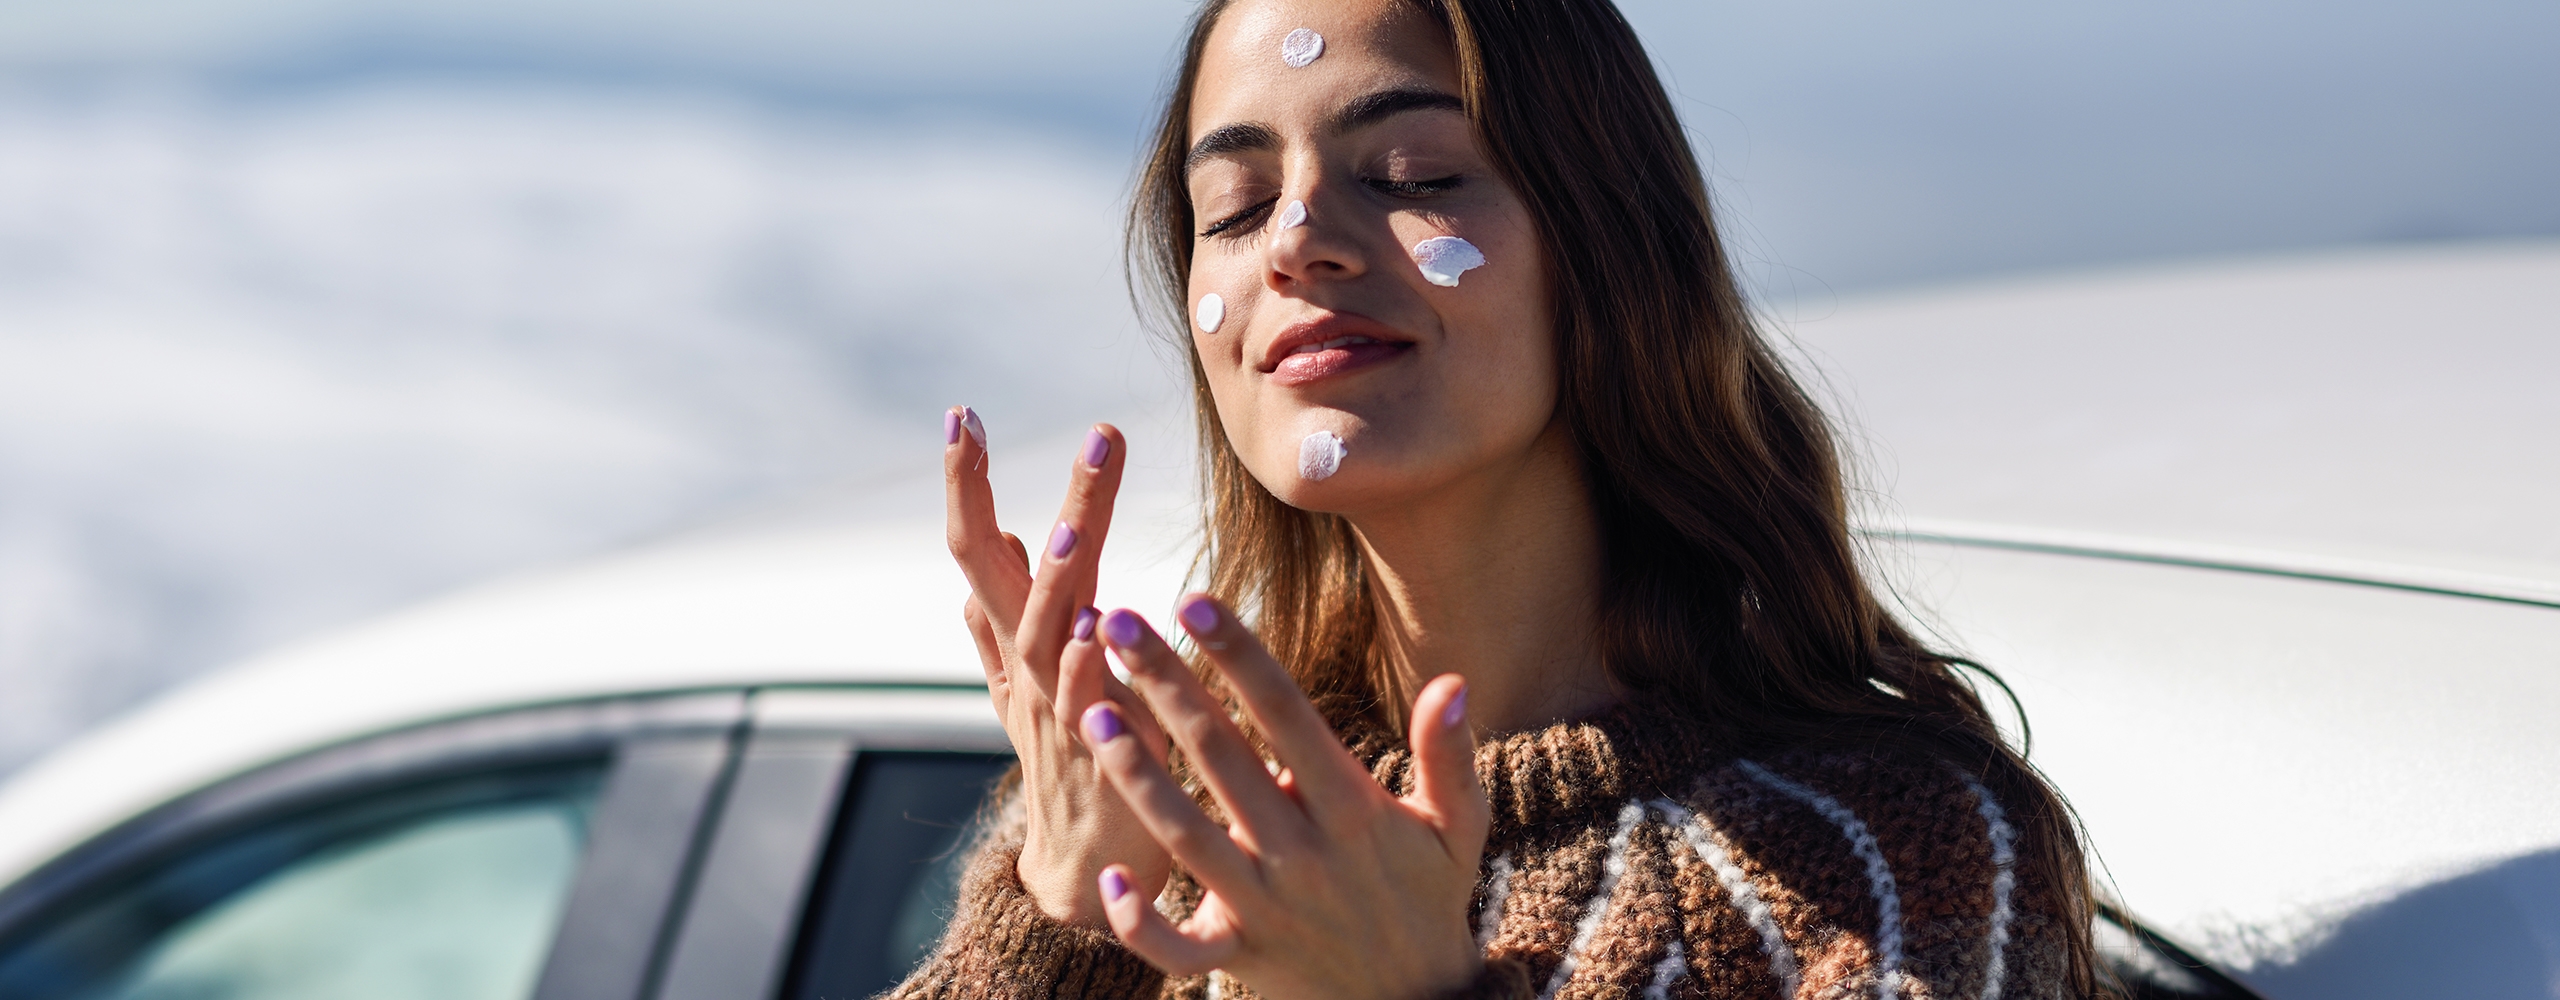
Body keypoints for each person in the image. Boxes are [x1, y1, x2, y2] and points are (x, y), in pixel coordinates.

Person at [911, 0, 2100, 996]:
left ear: (1609, 244)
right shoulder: (1152, 787)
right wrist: (1061, 913)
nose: (1296, 240)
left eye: (1411, 175)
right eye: (1234, 204)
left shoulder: (1889, 850)